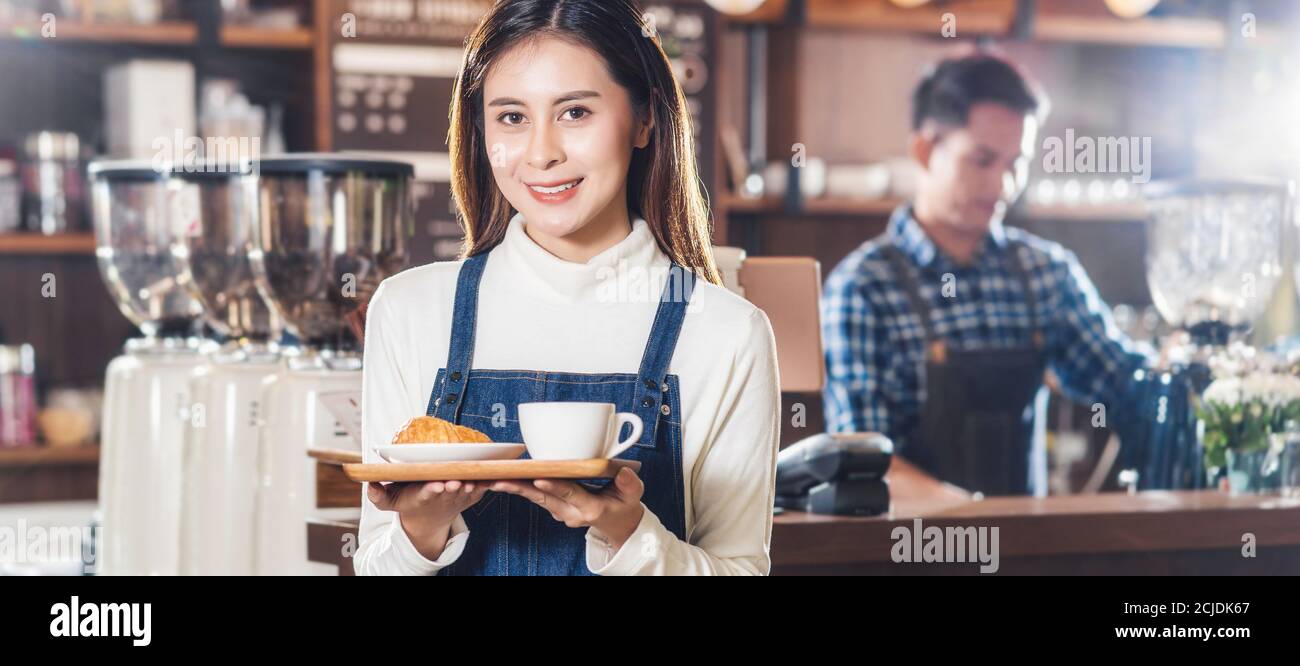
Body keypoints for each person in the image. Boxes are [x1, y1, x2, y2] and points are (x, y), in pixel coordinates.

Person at [354, 0, 780, 576]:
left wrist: (628, 532)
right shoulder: (409, 310)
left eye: (575, 112)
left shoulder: (727, 332)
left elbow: (742, 570)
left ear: (645, 119)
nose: (541, 152)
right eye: (511, 117)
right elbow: (376, 563)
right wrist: (422, 528)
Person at [822, 52, 1147, 498]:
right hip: (908, 556)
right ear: (924, 150)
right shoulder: (862, 290)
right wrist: (968, 518)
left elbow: (1126, 385)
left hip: (1024, 552)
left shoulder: (1044, 274)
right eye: (982, 160)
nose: (1003, 186)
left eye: (1015, 164)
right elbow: (862, 464)